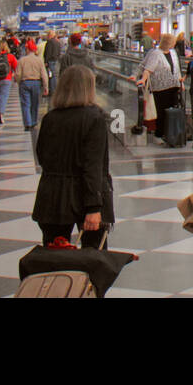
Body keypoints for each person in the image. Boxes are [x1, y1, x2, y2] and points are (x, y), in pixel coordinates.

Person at [32, 65, 114, 248]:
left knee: (54, 256)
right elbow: (93, 165)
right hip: (84, 194)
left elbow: (42, 156)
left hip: (52, 194)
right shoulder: (94, 118)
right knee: (93, 258)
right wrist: (94, 207)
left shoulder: (50, 118)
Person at [137, 33, 183, 143]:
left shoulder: (173, 53)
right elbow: (148, 69)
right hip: (160, 88)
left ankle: (170, 133)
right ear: (168, 42)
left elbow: (177, 68)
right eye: (173, 42)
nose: (174, 44)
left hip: (174, 86)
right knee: (160, 112)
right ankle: (159, 134)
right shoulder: (156, 54)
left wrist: (180, 82)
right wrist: (143, 79)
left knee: (172, 111)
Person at [15, 39, 50, 131]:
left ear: (27, 49)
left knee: (25, 104)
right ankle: (34, 121)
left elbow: (18, 74)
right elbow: (44, 74)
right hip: (36, 83)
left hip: (24, 82)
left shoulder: (22, 60)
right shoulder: (39, 61)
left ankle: (27, 123)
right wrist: (46, 87)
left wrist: (19, 82)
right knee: (35, 103)